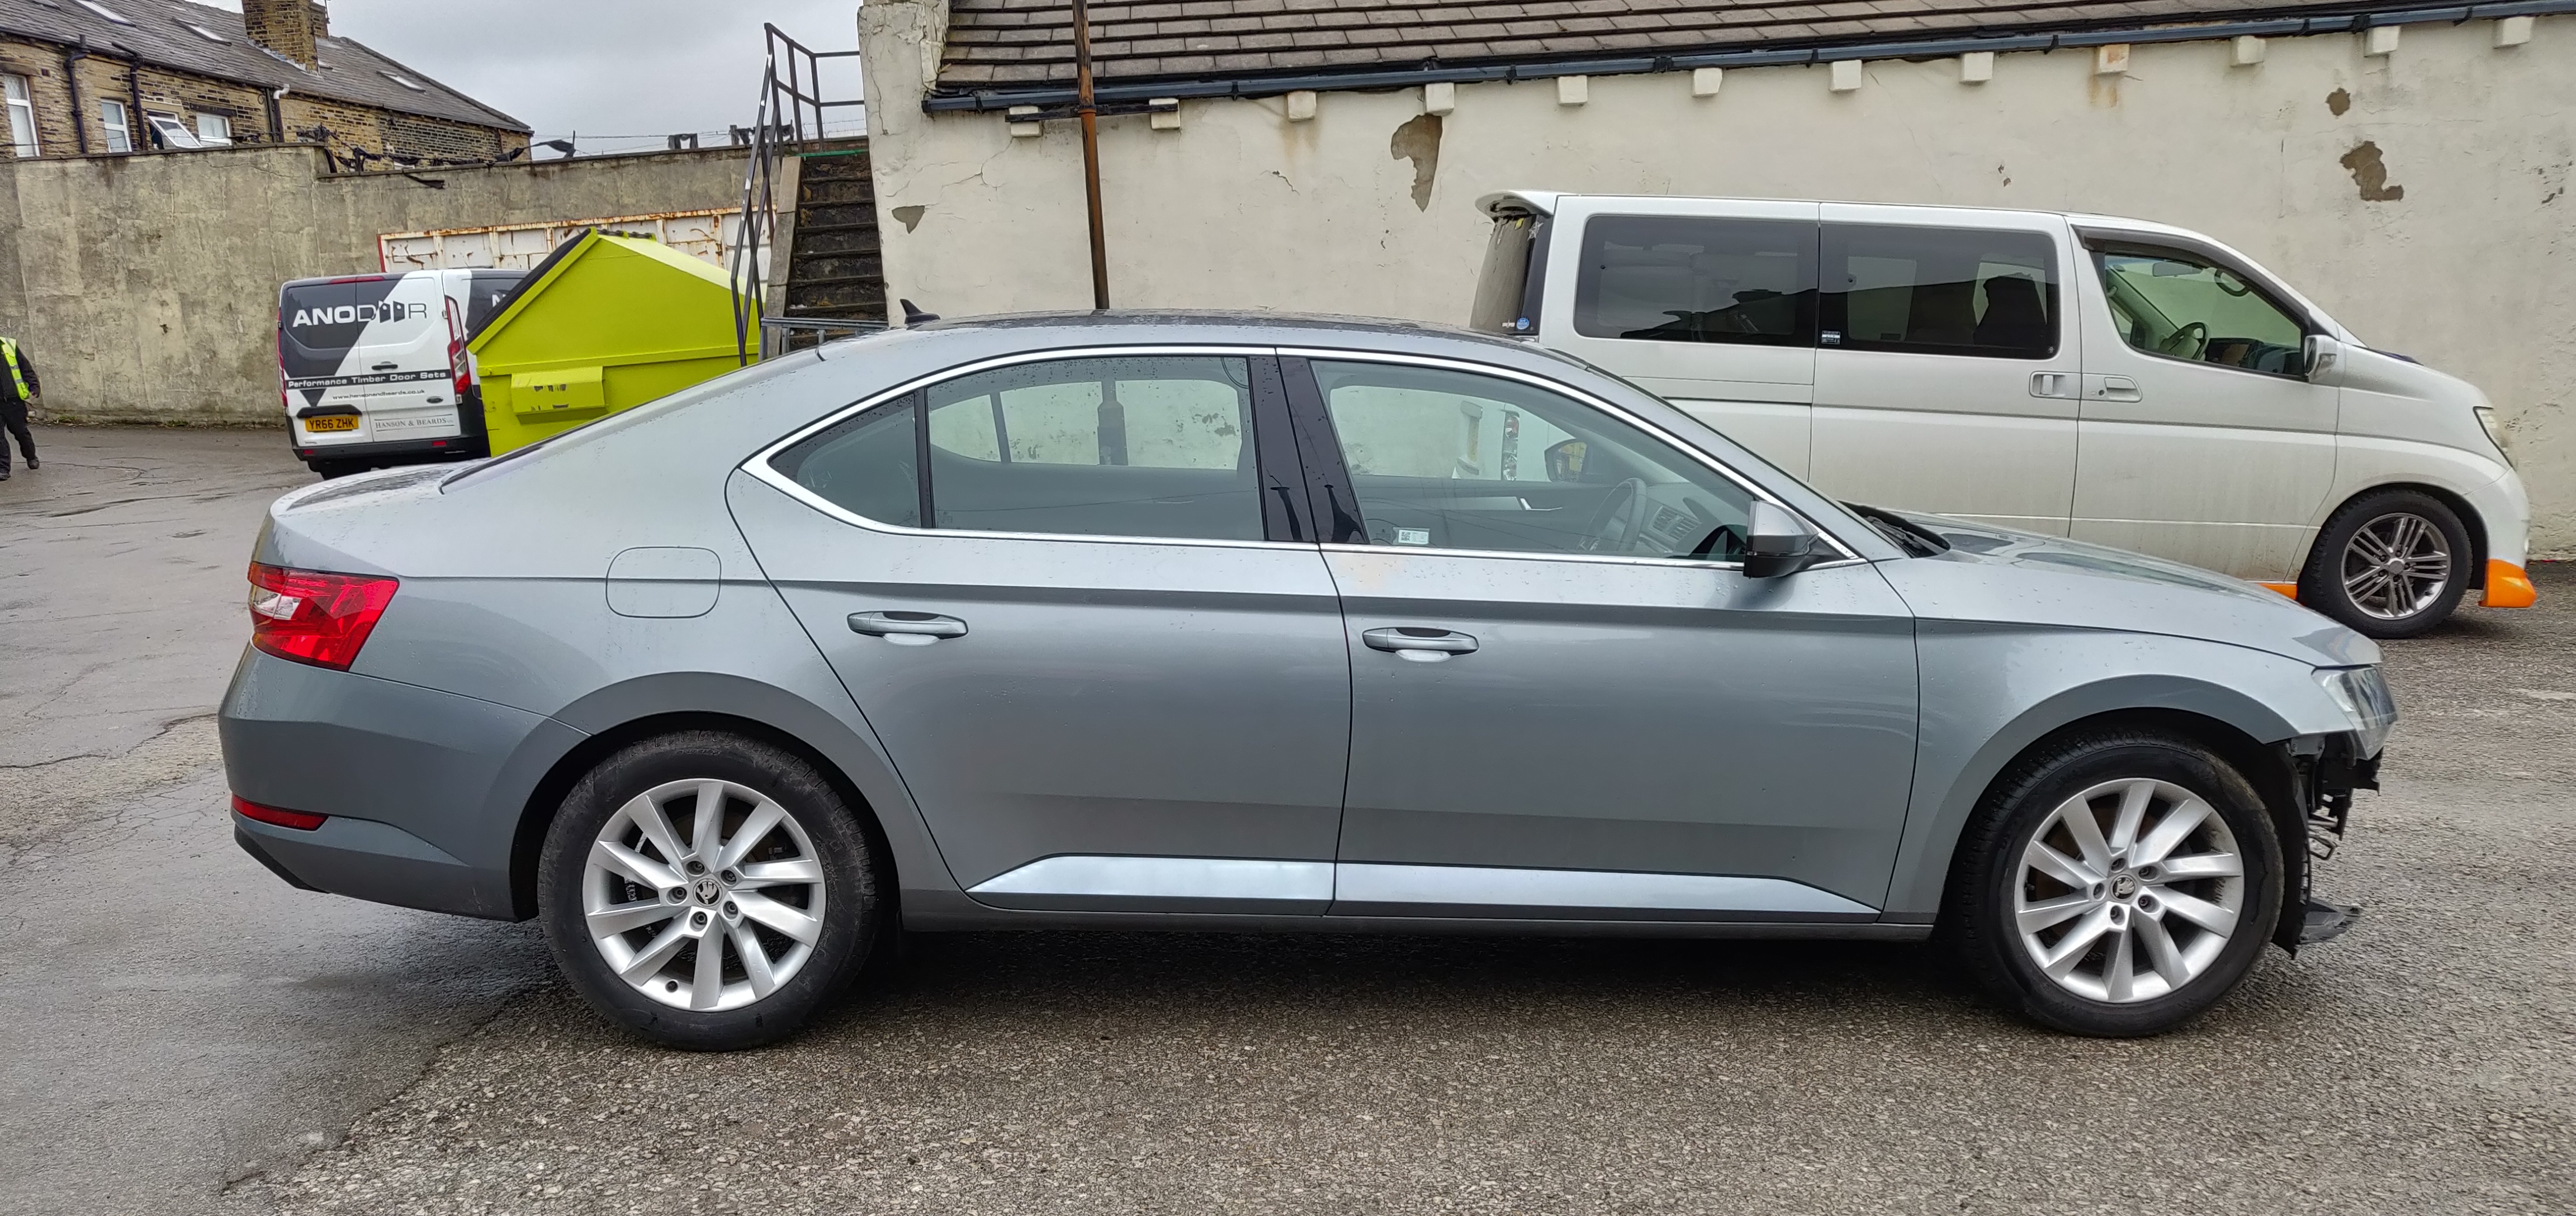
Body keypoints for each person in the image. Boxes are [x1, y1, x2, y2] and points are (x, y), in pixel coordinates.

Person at [0, 333, 37, 480]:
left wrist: (34, 386)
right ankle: (3, 468)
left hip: (13, 400)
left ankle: (31, 456)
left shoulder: (8, 346)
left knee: (21, 432)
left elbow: (25, 368)